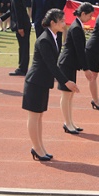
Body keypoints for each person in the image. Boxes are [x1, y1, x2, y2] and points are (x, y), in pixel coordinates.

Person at [22, 9, 79, 161]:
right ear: (52, 23)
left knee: (39, 116)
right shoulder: (44, 39)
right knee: (34, 116)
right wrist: (66, 82)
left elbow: (54, 64)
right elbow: (51, 66)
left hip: (42, 82)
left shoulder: (55, 36)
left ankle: (39, 147)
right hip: (35, 82)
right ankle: (36, 147)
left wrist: (66, 80)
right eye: (61, 21)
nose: (64, 23)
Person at [58, 3, 94, 134]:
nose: (91, 18)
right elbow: (80, 51)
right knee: (66, 94)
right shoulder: (76, 27)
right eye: (89, 15)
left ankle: (70, 122)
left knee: (70, 95)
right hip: (66, 63)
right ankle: (67, 123)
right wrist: (86, 69)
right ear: (83, 14)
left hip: (70, 63)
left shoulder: (77, 25)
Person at [0, 0, 32, 76]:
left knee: (23, 47)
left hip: (22, 25)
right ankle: (22, 67)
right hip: (22, 25)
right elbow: (12, 11)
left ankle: (22, 69)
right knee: (22, 47)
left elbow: (19, 13)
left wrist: (20, 27)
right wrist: (1, 18)